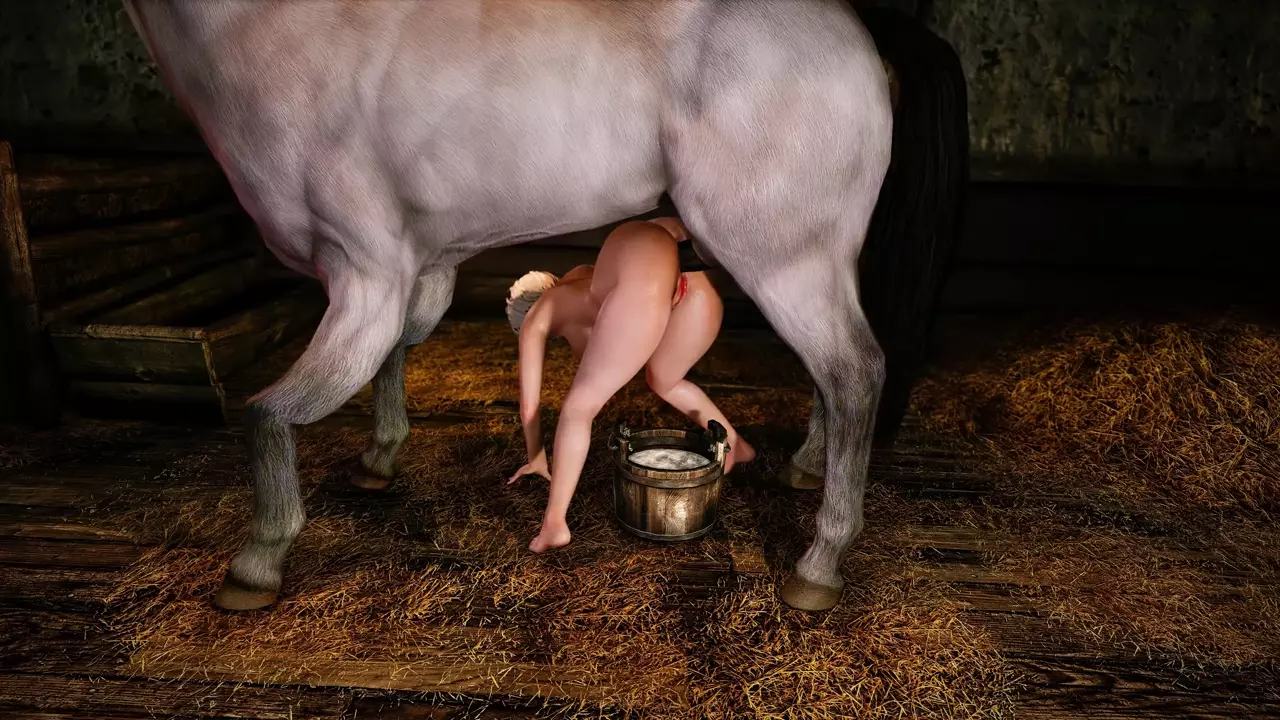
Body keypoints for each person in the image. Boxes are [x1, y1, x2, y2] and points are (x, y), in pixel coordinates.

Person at [505, 217, 756, 553]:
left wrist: (536, 456)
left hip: (649, 276)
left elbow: (529, 407)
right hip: (685, 269)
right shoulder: (581, 278)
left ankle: (554, 525)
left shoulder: (538, 315)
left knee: (578, 408)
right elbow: (615, 335)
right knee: (665, 380)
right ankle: (734, 443)